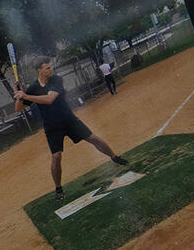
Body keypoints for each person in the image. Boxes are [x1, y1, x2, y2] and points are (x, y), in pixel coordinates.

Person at [14, 58, 127, 201]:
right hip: (52, 126)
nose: (50, 70)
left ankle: (114, 157)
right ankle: (58, 188)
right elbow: (18, 109)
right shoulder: (33, 88)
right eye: (47, 68)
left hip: (68, 120)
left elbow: (49, 99)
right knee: (56, 156)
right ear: (40, 71)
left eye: (50, 67)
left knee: (93, 138)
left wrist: (26, 96)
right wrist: (19, 94)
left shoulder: (56, 80)